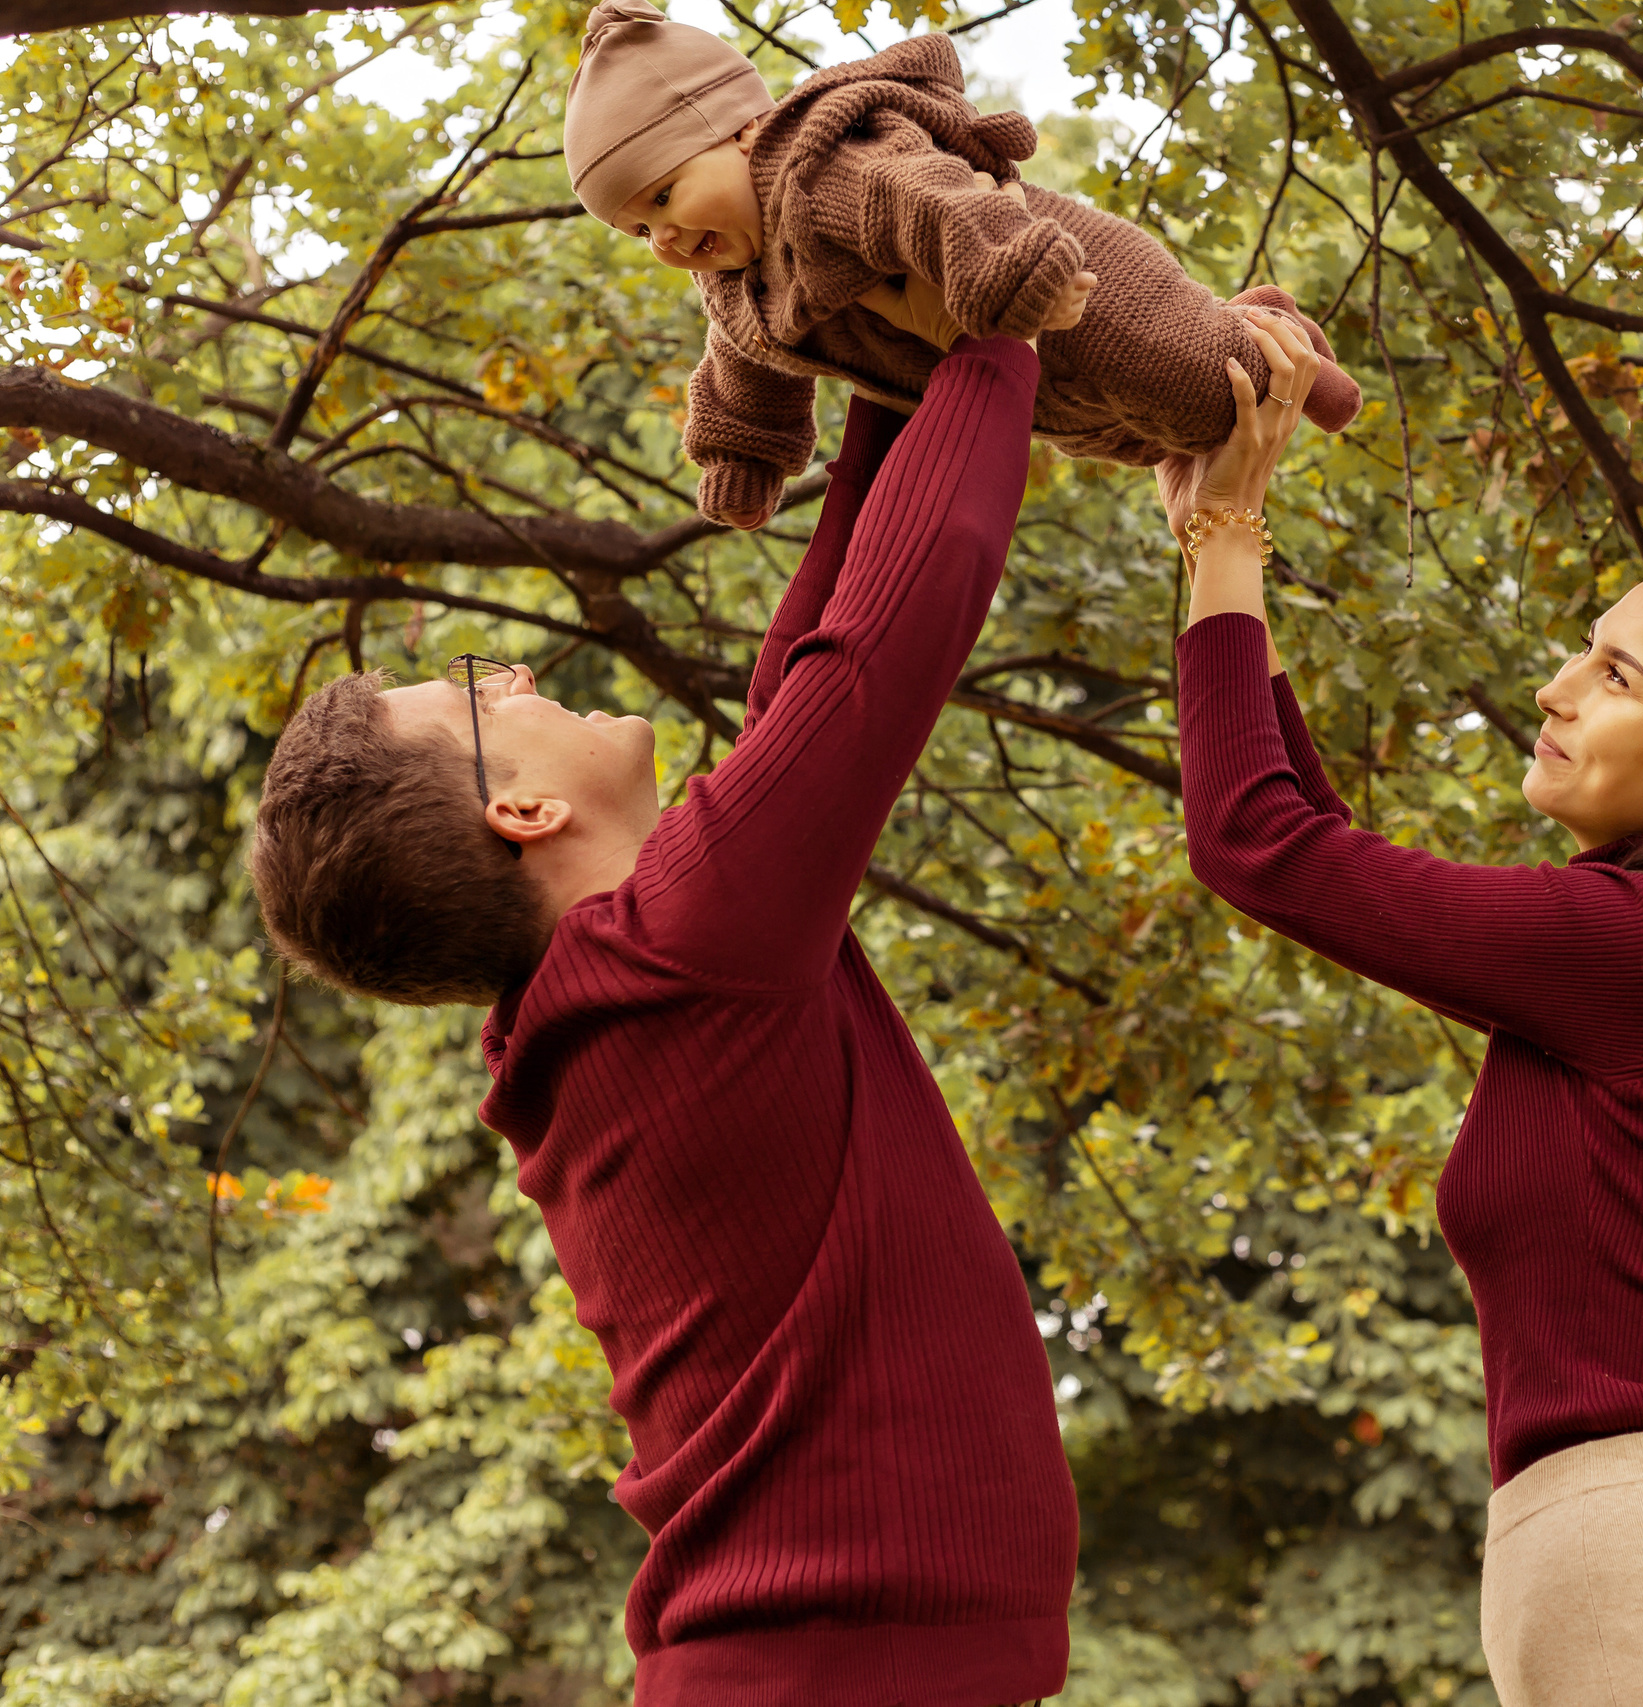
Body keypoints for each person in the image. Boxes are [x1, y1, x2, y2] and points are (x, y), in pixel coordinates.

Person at [249, 264, 1076, 1706]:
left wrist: (882, 334)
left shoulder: (628, 988)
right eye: (478, 695)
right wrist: (998, 299)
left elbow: (807, 672)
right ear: (518, 813)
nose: (515, 677)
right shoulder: (681, 955)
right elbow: (883, 640)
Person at [1165, 310, 1643, 1705]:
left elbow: (1259, 845)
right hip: (1624, 1559)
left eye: (1617, 674)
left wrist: (1230, 531)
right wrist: (1222, 553)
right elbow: (1308, 841)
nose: (1556, 687)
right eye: (1584, 650)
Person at [561, 0, 1358, 527]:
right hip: (1030, 377)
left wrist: (1000, 269)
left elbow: (928, 197)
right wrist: (742, 449)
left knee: (1198, 376)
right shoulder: (736, 289)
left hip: (1072, 286)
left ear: (739, 132)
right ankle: (1240, 332)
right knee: (1137, 437)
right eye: (638, 231)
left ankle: (1273, 335)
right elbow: (745, 372)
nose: (663, 238)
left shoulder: (823, 172)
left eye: (664, 196)